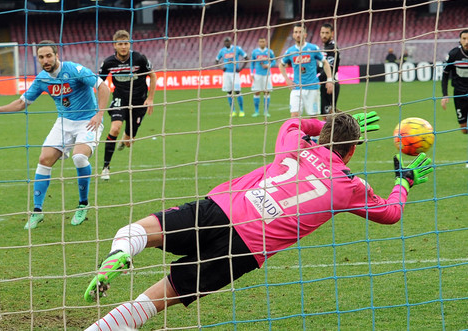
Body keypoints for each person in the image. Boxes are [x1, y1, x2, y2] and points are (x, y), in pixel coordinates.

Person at [82, 111, 433, 330]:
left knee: (137, 230)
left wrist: (321, 123)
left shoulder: (296, 144)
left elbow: (292, 123)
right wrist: (404, 182)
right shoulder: (351, 187)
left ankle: (121, 250)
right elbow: (391, 213)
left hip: (223, 208)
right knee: (156, 300)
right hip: (247, 248)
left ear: (320, 136)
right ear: (353, 150)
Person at [0, 40, 110, 229]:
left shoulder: (74, 70)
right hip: (64, 122)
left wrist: (99, 113)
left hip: (88, 120)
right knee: (44, 159)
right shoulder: (42, 79)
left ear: (57, 55)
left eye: (48, 55)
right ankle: (37, 212)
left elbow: (103, 87)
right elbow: (22, 103)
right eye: (41, 57)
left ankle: (83, 204)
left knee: (79, 157)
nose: (45, 60)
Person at [99, 30, 156, 181]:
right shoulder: (108, 63)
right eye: (120, 44)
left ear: (129, 44)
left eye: (126, 43)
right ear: (115, 45)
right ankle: (105, 167)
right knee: (114, 128)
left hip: (139, 101)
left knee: (128, 141)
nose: (123, 47)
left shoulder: (139, 58)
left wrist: (150, 98)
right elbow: (99, 82)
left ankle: (126, 138)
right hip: (120, 98)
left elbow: (152, 75)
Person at [279, 25, 333, 119]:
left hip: (312, 87)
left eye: (300, 32)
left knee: (313, 118)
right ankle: (297, 134)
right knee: (294, 116)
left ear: (305, 34)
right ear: (293, 35)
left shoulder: (313, 48)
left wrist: (329, 79)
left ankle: (313, 134)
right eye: (296, 32)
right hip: (297, 88)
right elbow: (281, 65)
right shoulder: (290, 51)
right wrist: (287, 79)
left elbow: (325, 63)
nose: (298, 34)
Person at [442, 29, 468, 167]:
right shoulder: (453, 54)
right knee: (464, 129)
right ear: (460, 40)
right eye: (464, 38)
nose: (467, 41)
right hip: (459, 94)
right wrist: (445, 95)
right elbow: (445, 74)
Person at [215, 37, 249, 117]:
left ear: (231, 42)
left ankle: (241, 110)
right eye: (225, 42)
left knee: (237, 91)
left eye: (228, 41)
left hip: (235, 73)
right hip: (226, 74)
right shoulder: (222, 51)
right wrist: (221, 68)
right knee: (229, 92)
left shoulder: (237, 49)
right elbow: (216, 61)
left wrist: (240, 68)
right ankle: (233, 111)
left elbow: (247, 58)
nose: (226, 43)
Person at [319, 23, 341, 116]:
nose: (324, 35)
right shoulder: (326, 47)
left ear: (332, 34)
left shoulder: (332, 48)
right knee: (326, 115)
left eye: (327, 33)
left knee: (329, 116)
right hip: (325, 83)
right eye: (322, 32)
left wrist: (319, 79)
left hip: (330, 84)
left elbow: (330, 68)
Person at [250, 37, 276, 117]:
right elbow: (252, 63)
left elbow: (274, 61)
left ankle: (266, 111)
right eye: (260, 41)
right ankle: (257, 111)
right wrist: (251, 73)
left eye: (263, 41)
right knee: (256, 92)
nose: (262, 43)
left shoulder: (269, 52)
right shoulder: (255, 52)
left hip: (267, 75)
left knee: (266, 92)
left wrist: (269, 65)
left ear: (266, 42)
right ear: (258, 43)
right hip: (257, 75)